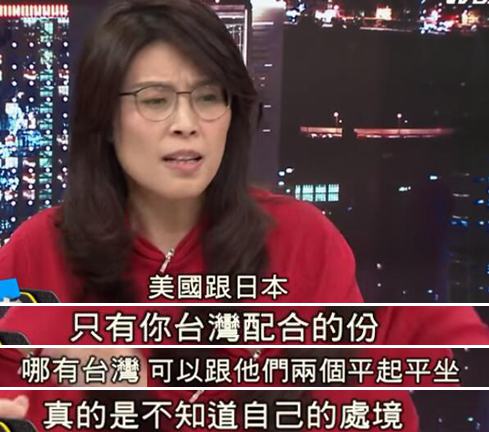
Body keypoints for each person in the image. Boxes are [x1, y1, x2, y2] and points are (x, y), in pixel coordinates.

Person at [0, 0, 488, 431]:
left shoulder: (302, 241)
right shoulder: (33, 252)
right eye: (155, 100)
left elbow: (376, 410)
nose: (187, 124)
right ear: (106, 119)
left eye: (209, 97)